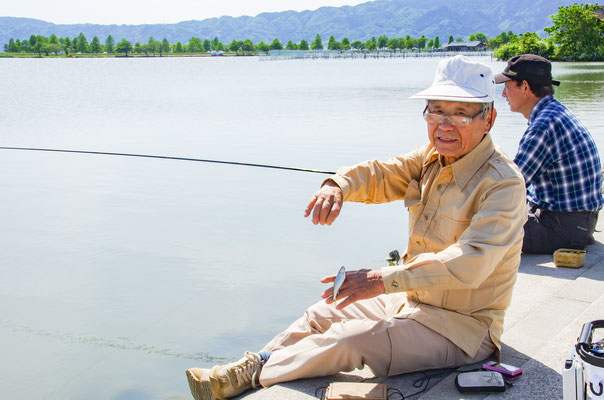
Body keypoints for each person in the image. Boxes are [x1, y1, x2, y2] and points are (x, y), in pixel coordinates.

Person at [185, 55, 526, 400]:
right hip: (411, 303)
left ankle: (251, 377)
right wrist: (338, 185)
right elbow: (382, 173)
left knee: (351, 340)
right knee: (325, 311)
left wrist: (382, 280)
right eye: (436, 110)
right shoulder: (431, 158)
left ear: (489, 119)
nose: (444, 125)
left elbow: (471, 261)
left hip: (463, 330)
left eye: (461, 113)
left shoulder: (503, 184)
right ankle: (255, 363)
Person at [495, 54, 603, 254]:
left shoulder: (544, 125)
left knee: (478, 228)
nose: (503, 94)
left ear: (525, 87)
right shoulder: (554, 112)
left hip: (564, 227)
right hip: (577, 221)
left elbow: (511, 184)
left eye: (507, 86)